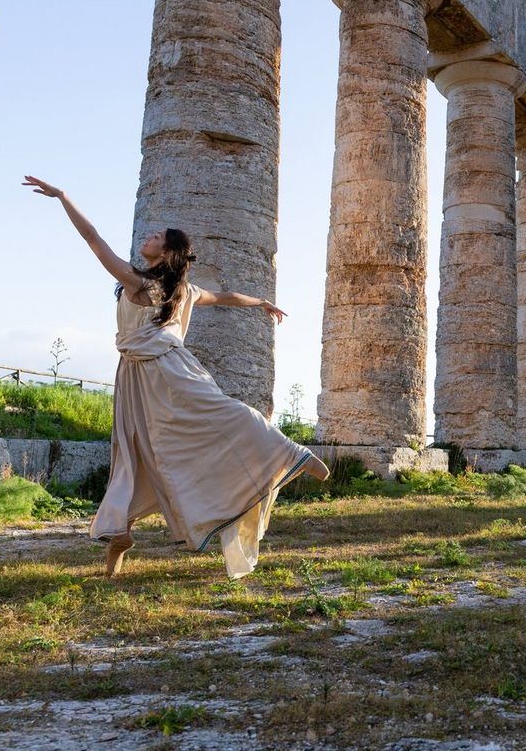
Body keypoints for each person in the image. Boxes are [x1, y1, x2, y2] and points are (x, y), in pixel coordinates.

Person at [22, 175, 329, 577]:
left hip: (168, 369)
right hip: (133, 379)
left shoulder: (152, 286)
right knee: (132, 457)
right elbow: (224, 297)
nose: (147, 236)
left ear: (166, 253)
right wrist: (260, 302)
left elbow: (94, 239)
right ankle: (119, 538)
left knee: (226, 413)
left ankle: (290, 453)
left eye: (155, 236)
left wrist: (63, 197)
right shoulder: (165, 287)